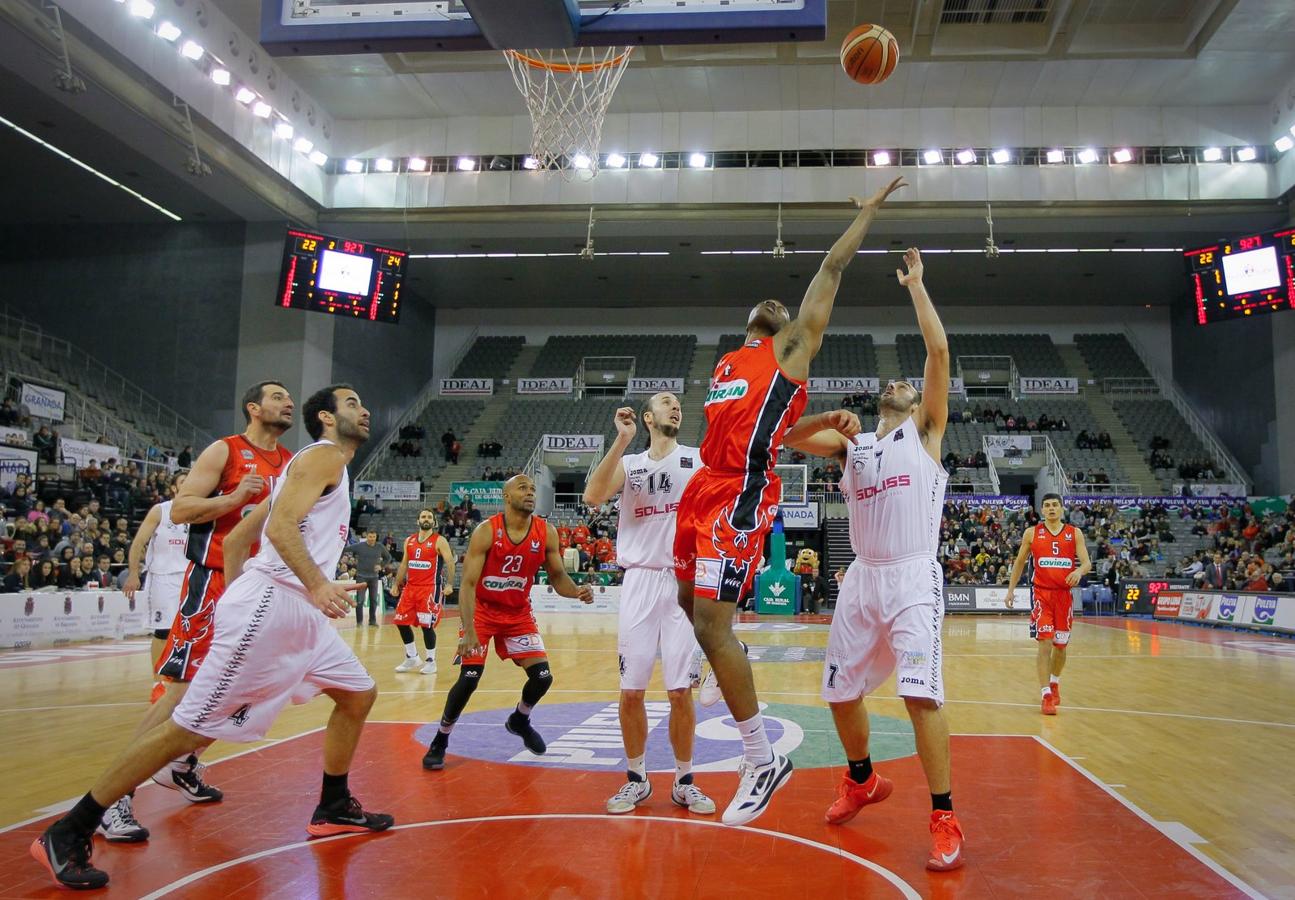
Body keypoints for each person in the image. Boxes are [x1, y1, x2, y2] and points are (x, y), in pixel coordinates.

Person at [31, 385, 392, 891]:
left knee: (358, 694)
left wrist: (252, 590)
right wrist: (311, 584)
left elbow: (244, 535)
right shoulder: (324, 456)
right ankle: (71, 829)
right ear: (328, 419)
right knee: (188, 729)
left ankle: (333, 804)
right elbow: (282, 528)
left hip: (295, 612)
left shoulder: (312, 465)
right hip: (276, 607)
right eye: (353, 403)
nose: (366, 408)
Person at [673, 176, 905, 827]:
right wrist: (808, 426)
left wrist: (862, 217)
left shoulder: (792, 347)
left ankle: (759, 757)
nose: (776, 301)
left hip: (738, 496)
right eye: (765, 300)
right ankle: (722, 664)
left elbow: (831, 268)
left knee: (713, 627)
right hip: (702, 485)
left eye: (783, 304)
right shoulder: (725, 363)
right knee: (688, 610)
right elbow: (763, 433)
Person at [784, 247, 965, 871]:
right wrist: (824, 417)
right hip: (861, 578)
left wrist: (917, 286)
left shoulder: (927, 433)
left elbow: (938, 355)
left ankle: (944, 815)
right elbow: (786, 436)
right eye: (891, 383)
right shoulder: (854, 446)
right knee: (837, 691)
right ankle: (861, 777)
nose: (897, 383)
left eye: (905, 385)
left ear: (915, 404)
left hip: (913, 576)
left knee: (920, 696)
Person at [111, 382, 293, 833]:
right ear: (253, 407)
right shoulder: (225, 451)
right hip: (212, 583)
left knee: (241, 691)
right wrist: (232, 499)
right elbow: (180, 510)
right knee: (180, 691)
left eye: (290, 398)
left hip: (261, 587)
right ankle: (113, 798)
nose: (288, 403)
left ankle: (182, 762)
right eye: (278, 397)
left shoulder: (291, 464)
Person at [583, 394, 715, 818]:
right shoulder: (632, 464)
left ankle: (684, 780)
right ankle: (637, 779)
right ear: (647, 418)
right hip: (639, 580)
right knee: (631, 691)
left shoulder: (698, 460)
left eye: (679, 403)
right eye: (666, 403)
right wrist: (621, 440)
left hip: (682, 580)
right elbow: (593, 495)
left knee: (680, 691)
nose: (676, 407)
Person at [421, 474, 594, 771]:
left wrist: (576, 591)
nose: (529, 493)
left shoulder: (546, 532)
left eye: (531, 489)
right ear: (506, 497)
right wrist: (469, 630)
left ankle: (520, 719)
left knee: (542, 677)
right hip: (482, 612)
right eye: (521, 488)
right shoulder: (486, 531)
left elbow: (557, 577)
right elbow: (468, 585)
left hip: (517, 614)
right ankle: (441, 739)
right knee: (470, 678)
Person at [1005, 494, 1092, 715]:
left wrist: (1079, 571)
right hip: (1041, 595)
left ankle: (1054, 682)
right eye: (1047, 506)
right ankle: (1045, 695)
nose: (1051, 509)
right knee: (1044, 643)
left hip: (1064, 597)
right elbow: (1019, 562)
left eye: (1055, 505)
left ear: (1062, 509)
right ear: (1042, 510)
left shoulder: (1075, 533)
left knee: (1060, 646)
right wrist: (1011, 590)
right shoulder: (1032, 533)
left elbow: (1087, 562)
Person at [122, 474, 190, 698]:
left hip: (190, 576)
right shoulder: (160, 510)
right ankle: (157, 683)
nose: (188, 484)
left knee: (189, 631)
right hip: (163, 577)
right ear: (173, 488)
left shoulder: (199, 511)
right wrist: (133, 573)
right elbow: (138, 543)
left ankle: (181, 678)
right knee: (163, 630)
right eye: (183, 482)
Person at [391, 508, 455, 675]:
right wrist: (396, 584)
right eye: (423, 516)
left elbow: (450, 563)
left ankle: (431, 661)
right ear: (417, 520)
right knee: (400, 621)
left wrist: (449, 584)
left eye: (429, 517)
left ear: (434, 522)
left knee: (427, 625)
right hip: (410, 588)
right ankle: (412, 657)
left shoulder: (439, 540)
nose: (425, 519)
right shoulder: (409, 540)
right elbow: (404, 564)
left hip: (430, 588)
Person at [351, 530, 392, 626]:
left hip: (374, 577)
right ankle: (359, 622)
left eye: (374, 537)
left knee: (373, 601)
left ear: (375, 537)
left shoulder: (380, 546)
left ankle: (372, 621)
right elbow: (346, 549)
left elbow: (388, 557)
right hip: (361, 577)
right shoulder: (360, 546)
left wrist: (381, 566)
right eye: (370, 536)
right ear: (367, 537)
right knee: (360, 601)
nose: (372, 539)